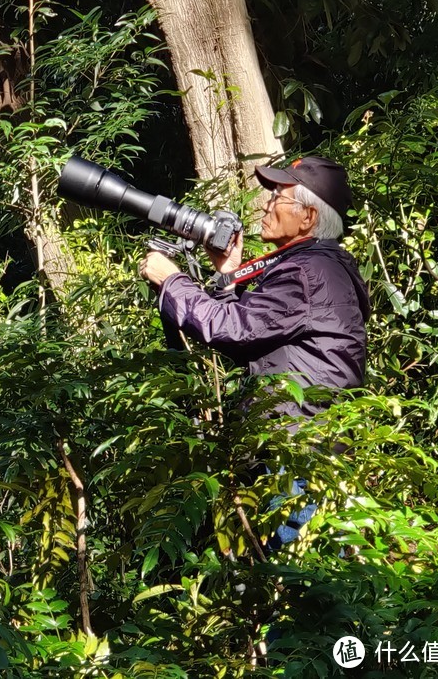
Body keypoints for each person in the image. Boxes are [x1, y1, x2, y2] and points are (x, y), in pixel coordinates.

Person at [138, 156, 369, 548]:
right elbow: (262, 337)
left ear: (309, 217)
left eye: (277, 196)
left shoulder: (307, 272)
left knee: (277, 582)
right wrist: (228, 277)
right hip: (302, 451)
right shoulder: (317, 266)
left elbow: (231, 329)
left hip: (296, 458)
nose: (264, 204)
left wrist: (172, 280)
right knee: (269, 576)